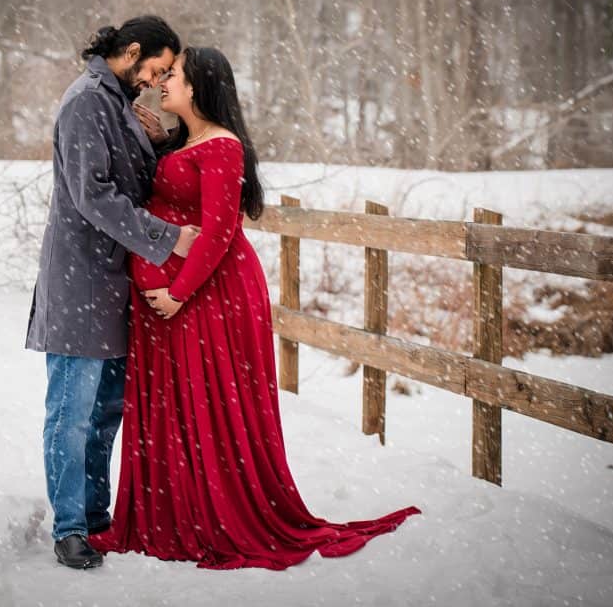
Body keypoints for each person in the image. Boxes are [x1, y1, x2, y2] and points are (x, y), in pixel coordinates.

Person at [90, 47, 421, 569]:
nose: (163, 83)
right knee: (175, 410)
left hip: (205, 299)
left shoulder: (222, 147)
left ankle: (215, 514)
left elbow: (220, 232)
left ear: (198, 86)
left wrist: (178, 292)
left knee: (207, 406)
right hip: (173, 307)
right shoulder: (186, 140)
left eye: (172, 75)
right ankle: (174, 514)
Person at [25, 16, 200, 569]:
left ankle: (96, 518)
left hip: (111, 284)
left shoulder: (117, 100)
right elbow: (93, 196)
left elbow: (130, 175)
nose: (160, 78)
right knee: (70, 416)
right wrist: (168, 240)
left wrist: (163, 138)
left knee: (103, 416)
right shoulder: (86, 102)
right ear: (131, 51)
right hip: (80, 279)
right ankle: (70, 528)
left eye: (169, 73)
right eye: (159, 67)